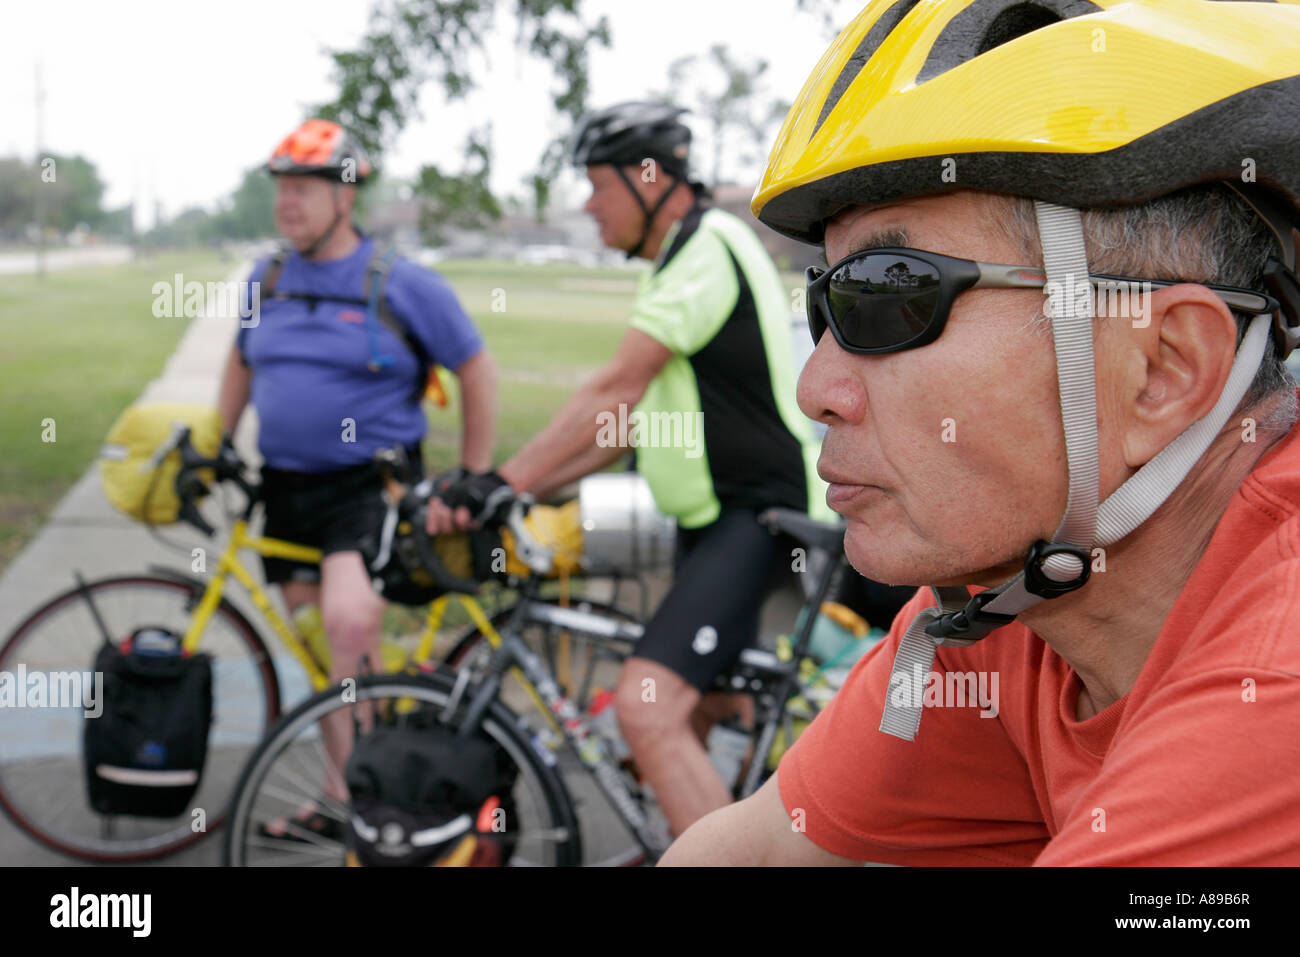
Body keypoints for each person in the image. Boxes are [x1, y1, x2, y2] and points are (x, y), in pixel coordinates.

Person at [662, 0, 1300, 865]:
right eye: (824, 304)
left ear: (1161, 370)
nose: (815, 390)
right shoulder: (1009, 613)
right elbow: (760, 851)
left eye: (887, 293)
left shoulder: (1278, 684)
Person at [430, 102, 831, 838]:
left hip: (759, 516)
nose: (588, 206)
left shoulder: (708, 246)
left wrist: (502, 481)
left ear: (650, 180)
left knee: (647, 710)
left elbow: (614, 387)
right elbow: (620, 430)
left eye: (597, 186)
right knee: (699, 711)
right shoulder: (680, 256)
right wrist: (523, 488)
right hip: (715, 522)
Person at [216, 118, 498, 838]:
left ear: (345, 196)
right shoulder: (266, 278)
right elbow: (241, 362)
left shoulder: (401, 282)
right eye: (281, 187)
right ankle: (342, 799)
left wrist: (474, 475)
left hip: (368, 489)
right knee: (322, 652)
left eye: (304, 188)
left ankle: (381, 805)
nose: (287, 202)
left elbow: (475, 366)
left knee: (348, 623)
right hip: (285, 488)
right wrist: (216, 442)